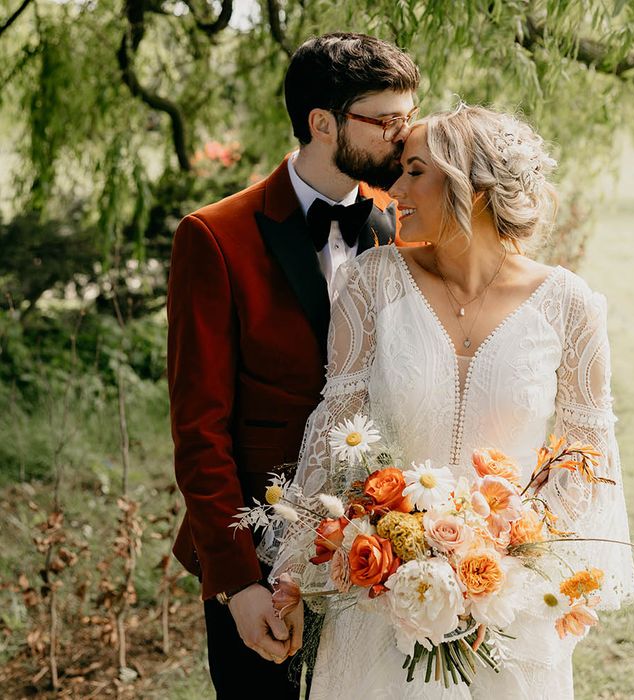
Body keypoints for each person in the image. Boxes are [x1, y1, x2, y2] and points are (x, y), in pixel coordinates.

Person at [273, 104, 634, 698]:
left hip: (511, 606)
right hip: (378, 602)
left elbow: (586, 463)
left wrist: (513, 557)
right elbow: (334, 441)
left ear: (470, 187)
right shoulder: (372, 282)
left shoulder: (570, 306)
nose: (392, 189)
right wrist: (291, 579)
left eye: (414, 171)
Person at [166, 33, 419, 697]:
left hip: (379, 542)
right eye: (388, 121)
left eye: (409, 120)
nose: (405, 138)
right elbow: (199, 430)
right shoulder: (214, 238)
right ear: (322, 123)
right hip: (261, 543)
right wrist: (238, 581)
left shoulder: (400, 222)